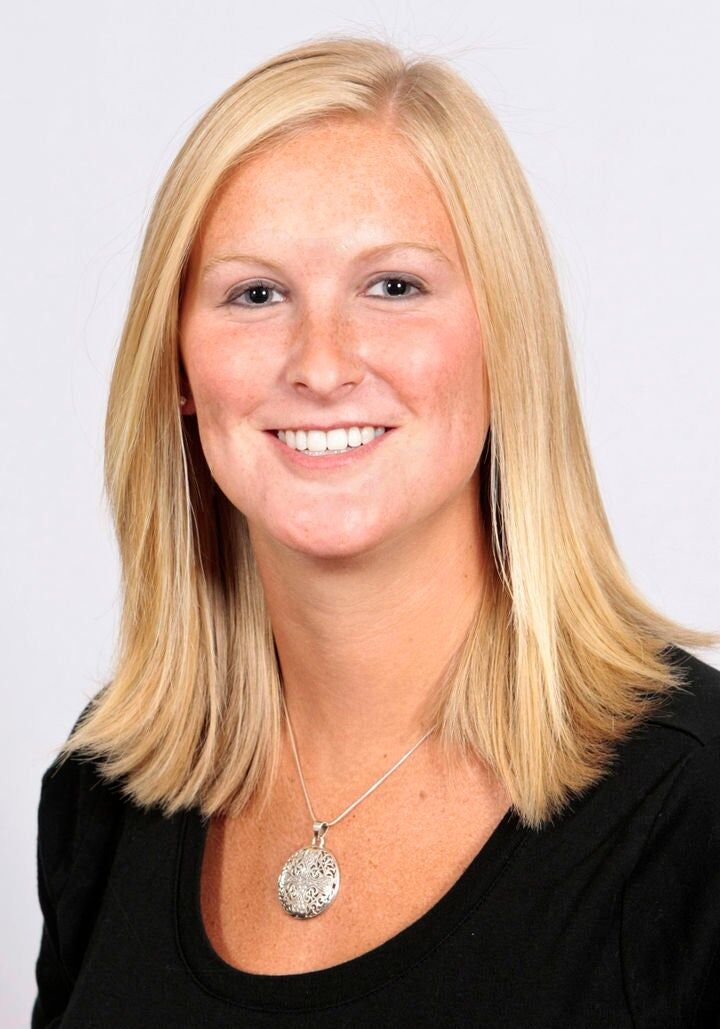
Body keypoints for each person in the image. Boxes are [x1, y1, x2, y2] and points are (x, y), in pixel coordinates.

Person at [32, 34, 720, 1028]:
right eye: (255, 294)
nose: (321, 365)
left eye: (393, 286)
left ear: (505, 340)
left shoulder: (694, 806)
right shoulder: (104, 792)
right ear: (177, 367)